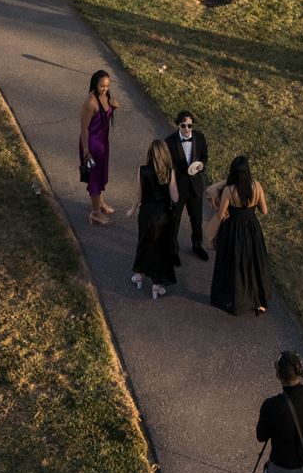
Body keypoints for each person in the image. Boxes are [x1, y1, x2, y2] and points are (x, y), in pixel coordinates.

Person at [206, 155, 271, 316]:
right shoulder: (257, 186)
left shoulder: (229, 190)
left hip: (233, 230)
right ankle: (258, 300)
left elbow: (221, 215)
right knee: (253, 264)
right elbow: (264, 211)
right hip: (251, 229)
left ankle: (233, 299)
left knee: (232, 265)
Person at [129, 139, 182, 300]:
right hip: (163, 215)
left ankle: (138, 275)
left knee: (143, 242)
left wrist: (132, 209)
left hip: (146, 213)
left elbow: (138, 195)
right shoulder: (169, 171)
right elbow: (175, 197)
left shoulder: (142, 170)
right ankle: (156, 285)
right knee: (160, 249)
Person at [167, 110, 209, 259]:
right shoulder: (170, 141)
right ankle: (172, 248)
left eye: (189, 126)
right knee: (174, 218)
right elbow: (167, 164)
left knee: (197, 218)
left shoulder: (200, 138)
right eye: (183, 125)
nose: (186, 129)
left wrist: (202, 165)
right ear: (178, 125)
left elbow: (204, 156)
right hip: (178, 186)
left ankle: (197, 245)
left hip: (195, 185)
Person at [79, 70, 117, 225]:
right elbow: (84, 128)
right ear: (95, 83)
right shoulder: (90, 102)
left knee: (101, 174)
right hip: (91, 146)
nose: (105, 89)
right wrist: (86, 150)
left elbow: (104, 116)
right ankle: (95, 213)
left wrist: (113, 108)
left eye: (107, 86)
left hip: (102, 144)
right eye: (102, 86)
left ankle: (99, 202)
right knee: (94, 178)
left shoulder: (106, 96)